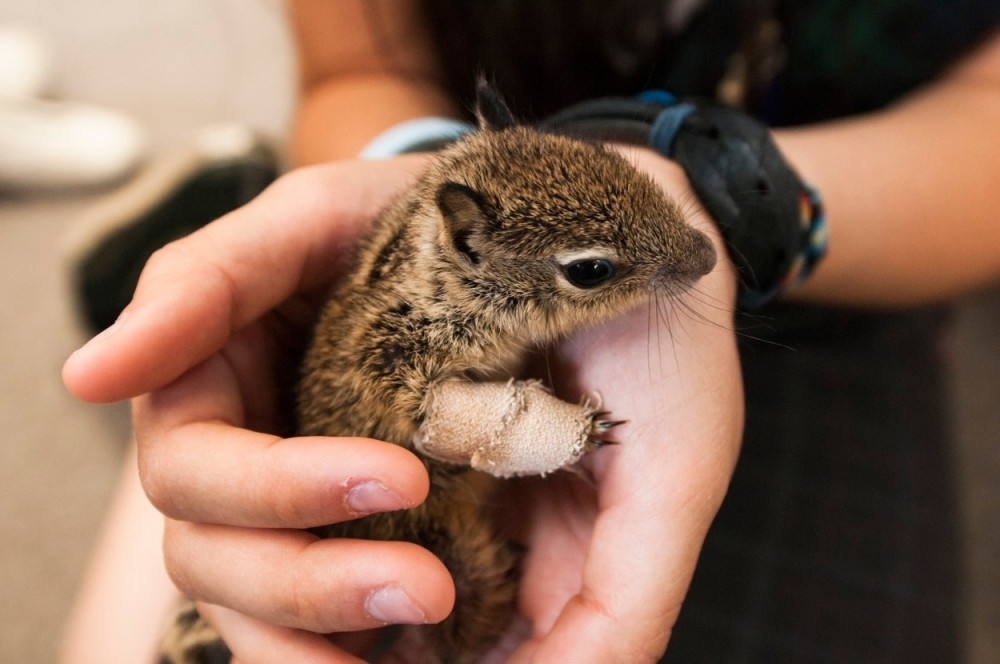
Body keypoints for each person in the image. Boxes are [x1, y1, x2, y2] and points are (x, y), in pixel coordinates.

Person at [61, 1, 1000, 662]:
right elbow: (360, 69)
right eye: (590, 276)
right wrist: (553, 429)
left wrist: (729, 204)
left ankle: (209, 194)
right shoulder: (451, 293)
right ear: (472, 250)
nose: (691, 271)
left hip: (847, 258)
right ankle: (206, 204)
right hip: (407, 207)